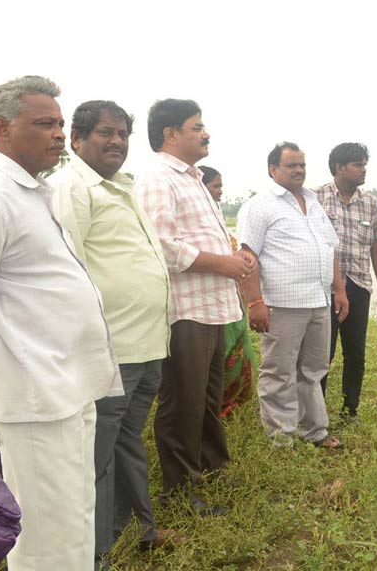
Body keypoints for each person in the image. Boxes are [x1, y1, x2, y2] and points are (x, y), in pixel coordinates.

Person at [0, 75, 123, 571]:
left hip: (69, 386)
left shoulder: (33, 191)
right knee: (45, 533)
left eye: (61, 124)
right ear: (2, 127)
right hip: (35, 390)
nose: (60, 134)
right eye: (45, 123)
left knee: (72, 515)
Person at [49, 101, 181, 569]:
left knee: (126, 440)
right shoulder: (71, 187)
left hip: (146, 344)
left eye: (123, 133)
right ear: (77, 139)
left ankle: (139, 526)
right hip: (111, 349)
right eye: (106, 133)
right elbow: (68, 269)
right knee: (98, 455)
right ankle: (95, 552)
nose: (118, 141)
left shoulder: (122, 187)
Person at [135, 99, 253, 514]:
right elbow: (162, 246)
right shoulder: (157, 179)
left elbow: (200, 236)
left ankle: (212, 468)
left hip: (213, 306)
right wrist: (222, 262)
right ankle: (180, 491)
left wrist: (234, 256)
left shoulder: (193, 178)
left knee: (207, 397)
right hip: (186, 310)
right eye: (196, 127)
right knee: (182, 402)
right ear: (170, 134)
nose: (205, 134)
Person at [237, 142, 348, 448]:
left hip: (318, 302)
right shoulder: (259, 206)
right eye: (291, 166)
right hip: (282, 305)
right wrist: (256, 302)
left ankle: (314, 430)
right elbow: (247, 257)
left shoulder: (313, 204)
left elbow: (330, 249)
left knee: (313, 371)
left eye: (302, 165)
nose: (299, 170)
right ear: (273, 170)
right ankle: (281, 439)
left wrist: (339, 289)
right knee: (279, 372)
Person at [316, 143, 377, 421]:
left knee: (355, 353)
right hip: (324, 290)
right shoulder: (315, 198)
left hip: (358, 286)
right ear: (339, 167)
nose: (364, 170)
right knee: (322, 354)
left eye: (364, 164)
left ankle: (350, 410)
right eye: (358, 164)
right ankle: (317, 412)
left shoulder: (370, 203)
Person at [199, 166, 258, 418]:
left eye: (221, 186)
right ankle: (211, 404)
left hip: (232, 298)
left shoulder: (217, 217)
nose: (220, 192)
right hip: (207, 301)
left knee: (235, 351)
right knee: (215, 357)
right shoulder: (196, 221)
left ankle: (226, 402)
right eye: (216, 186)